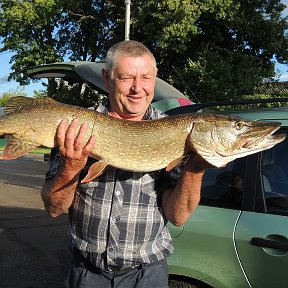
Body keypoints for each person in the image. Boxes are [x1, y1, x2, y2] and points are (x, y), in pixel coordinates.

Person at [41, 40, 211, 288]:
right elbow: (54, 208)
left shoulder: (175, 132)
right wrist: (71, 166)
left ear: (155, 79)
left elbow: (178, 215)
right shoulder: (76, 126)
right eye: (127, 78)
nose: (137, 88)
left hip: (146, 276)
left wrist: (196, 168)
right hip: (87, 274)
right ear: (107, 79)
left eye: (146, 77)